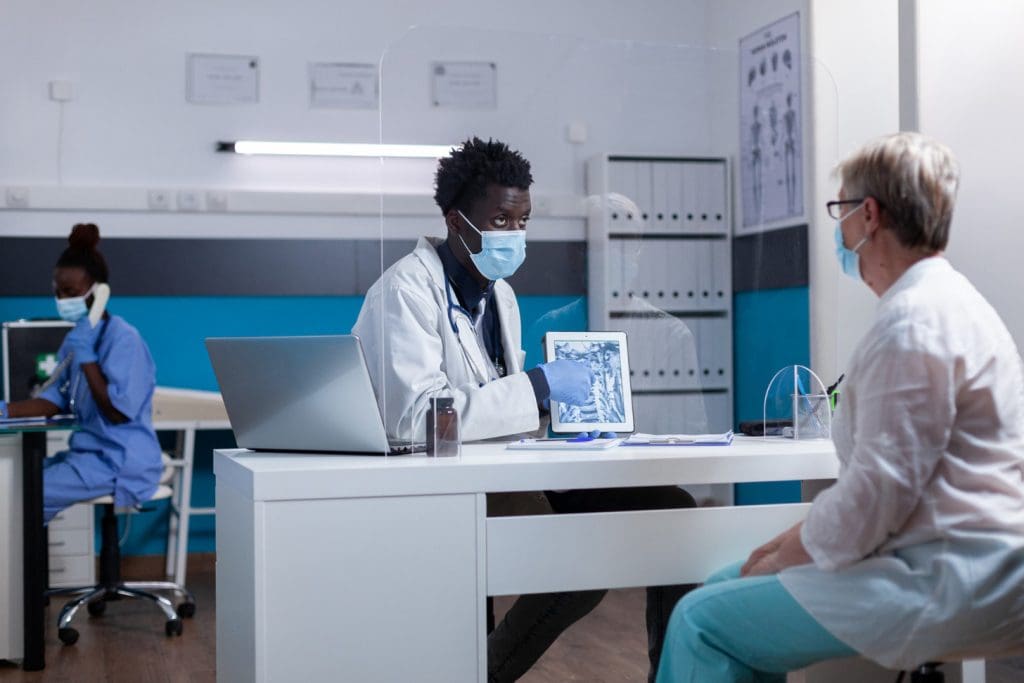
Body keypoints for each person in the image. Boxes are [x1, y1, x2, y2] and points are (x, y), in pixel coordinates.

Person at [656, 132, 1024, 681]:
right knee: (722, 587)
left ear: (868, 215)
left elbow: (877, 496)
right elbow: (882, 489)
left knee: (698, 622)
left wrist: (782, 558)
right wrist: (775, 548)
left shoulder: (913, 322)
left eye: (840, 210)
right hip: (957, 561)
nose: (840, 227)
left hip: (943, 578)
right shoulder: (953, 304)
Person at [353, 137, 696, 682]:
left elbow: (499, 399)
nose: (514, 234)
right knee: (578, 560)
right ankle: (481, 673)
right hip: (443, 481)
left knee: (672, 509)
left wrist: (565, 417)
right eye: (501, 220)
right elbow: (417, 416)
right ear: (455, 220)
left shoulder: (500, 295)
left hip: (507, 467)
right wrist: (538, 387)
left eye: (523, 220)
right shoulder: (405, 291)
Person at [0, 223, 162, 523]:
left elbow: (117, 412)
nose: (63, 300)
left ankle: (26, 566)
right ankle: (23, 565)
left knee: (23, 494)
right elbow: (53, 400)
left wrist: (88, 358)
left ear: (98, 292)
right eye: (58, 292)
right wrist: (5, 410)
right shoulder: (76, 340)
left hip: (120, 460)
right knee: (16, 482)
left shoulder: (122, 339)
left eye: (70, 292)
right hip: (87, 454)